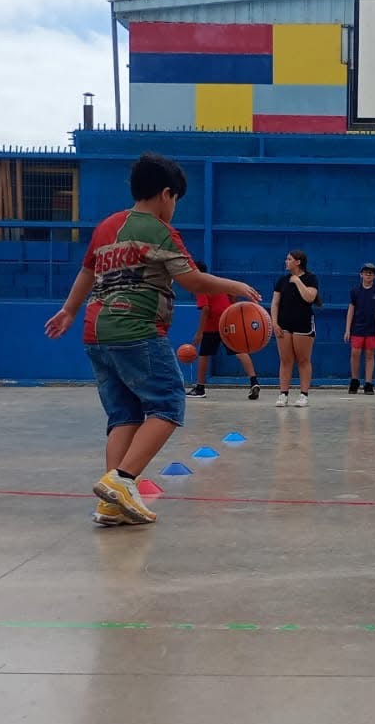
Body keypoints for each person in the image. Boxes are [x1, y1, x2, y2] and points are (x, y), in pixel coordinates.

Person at [45, 152, 260, 526]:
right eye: (175, 199)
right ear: (166, 194)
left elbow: (86, 272)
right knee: (168, 402)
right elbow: (192, 279)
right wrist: (235, 285)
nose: (174, 206)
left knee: (123, 414)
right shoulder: (159, 231)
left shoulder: (106, 227)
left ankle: (112, 503)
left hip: (95, 333)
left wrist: (68, 311)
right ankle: (123, 480)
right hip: (137, 330)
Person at [188, 260, 260, 401]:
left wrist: (200, 332)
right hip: (227, 321)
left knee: (204, 355)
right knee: (239, 351)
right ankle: (254, 381)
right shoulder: (215, 282)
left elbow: (206, 309)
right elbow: (232, 294)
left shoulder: (200, 285)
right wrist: (231, 311)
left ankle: (200, 388)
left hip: (213, 325)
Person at [271, 249, 320, 407]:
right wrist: (274, 323)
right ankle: (283, 394)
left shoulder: (310, 278)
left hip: (303, 323)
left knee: (303, 360)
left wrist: (297, 281)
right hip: (284, 324)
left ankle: (304, 395)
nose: (286, 261)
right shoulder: (281, 280)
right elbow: (275, 303)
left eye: (289, 259)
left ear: (298, 262)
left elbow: (310, 297)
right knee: (285, 360)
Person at [345, 261, 375, 395]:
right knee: (355, 353)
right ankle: (355, 380)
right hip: (357, 328)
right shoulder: (355, 291)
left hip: (372, 329)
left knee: (370, 354)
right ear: (361, 275)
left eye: (371, 273)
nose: (368, 275)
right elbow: (351, 310)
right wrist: (347, 329)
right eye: (366, 273)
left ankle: (368, 383)